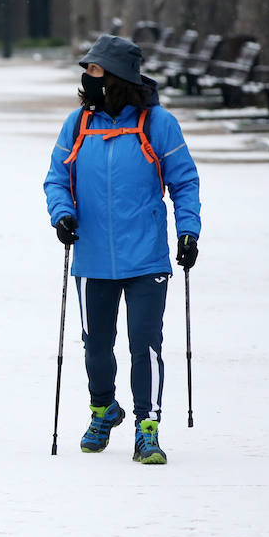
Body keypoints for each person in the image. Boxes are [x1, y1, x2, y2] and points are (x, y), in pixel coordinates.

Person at [44, 34, 201, 465]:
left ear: (115, 77)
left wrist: (188, 232)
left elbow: (184, 182)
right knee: (96, 345)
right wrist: (63, 214)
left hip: (146, 256)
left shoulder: (158, 123)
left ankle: (146, 427)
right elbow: (57, 178)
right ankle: (104, 410)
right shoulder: (78, 124)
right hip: (92, 257)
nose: (86, 78)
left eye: (93, 70)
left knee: (144, 343)